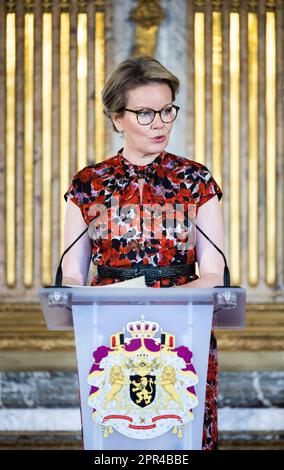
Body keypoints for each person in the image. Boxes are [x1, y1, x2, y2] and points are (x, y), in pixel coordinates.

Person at [63, 56, 224, 450]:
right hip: (108, 335)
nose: (161, 123)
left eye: (167, 110)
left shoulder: (196, 179)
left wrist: (160, 303)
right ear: (118, 118)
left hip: (184, 331)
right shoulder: (88, 184)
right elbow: (70, 273)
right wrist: (79, 297)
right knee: (116, 440)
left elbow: (214, 272)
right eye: (146, 113)